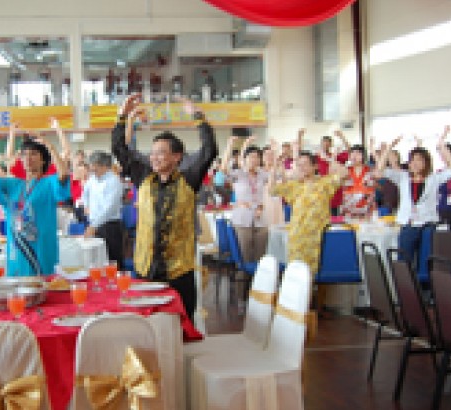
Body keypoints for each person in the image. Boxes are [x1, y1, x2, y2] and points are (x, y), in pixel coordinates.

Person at [113, 94, 217, 320]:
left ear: (177, 156)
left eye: (160, 152)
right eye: (153, 153)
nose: (154, 157)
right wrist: (122, 117)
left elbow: (209, 151)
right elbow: (119, 150)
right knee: (146, 323)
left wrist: (199, 117)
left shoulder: (189, 179)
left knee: (180, 324)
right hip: (146, 267)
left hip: (179, 270)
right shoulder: (144, 177)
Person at [0, 130, 71, 276]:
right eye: (24, 154)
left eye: (33, 154)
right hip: (17, 252)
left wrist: (50, 146)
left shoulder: (49, 183)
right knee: (18, 294)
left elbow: (64, 175)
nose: (28, 158)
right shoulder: (13, 185)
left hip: (42, 251)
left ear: (43, 160)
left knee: (46, 291)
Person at [375, 128, 451, 270]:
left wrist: (442, 145)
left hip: (427, 224)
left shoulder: (434, 178)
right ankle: (405, 287)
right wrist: (389, 148)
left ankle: (425, 287)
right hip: (408, 224)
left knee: (426, 261)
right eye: (412, 160)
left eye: (419, 160)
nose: (415, 163)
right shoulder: (403, 177)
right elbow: (379, 171)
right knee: (404, 261)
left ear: (426, 163)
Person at [269, 151, 347, 275]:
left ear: (315, 166)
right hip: (297, 236)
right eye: (299, 165)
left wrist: (328, 159)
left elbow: (344, 173)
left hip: (317, 237)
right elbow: (272, 190)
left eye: (305, 164)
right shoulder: (294, 186)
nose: (302, 168)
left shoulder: (324, 183)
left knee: (315, 274)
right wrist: (274, 168)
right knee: (297, 275)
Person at [221, 135, 269, 263]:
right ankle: (244, 280)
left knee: (261, 255)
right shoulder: (239, 174)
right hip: (242, 218)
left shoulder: (262, 175)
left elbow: (276, 175)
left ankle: (260, 280)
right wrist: (229, 146)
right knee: (245, 255)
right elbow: (224, 169)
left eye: (257, 157)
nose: (255, 159)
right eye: (251, 156)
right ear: (245, 159)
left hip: (260, 218)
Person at [82, 151, 125, 265]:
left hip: (110, 226)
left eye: (95, 169)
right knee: (97, 262)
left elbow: (109, 208)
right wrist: (86, 205)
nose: (93, 172)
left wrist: (94, 225)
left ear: (105, 166)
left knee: (112, 261)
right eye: (91, 169)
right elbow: (85, 194)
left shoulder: (114, 181)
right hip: (95, 224)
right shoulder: (92, 179)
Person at [339, 144, 377, 220]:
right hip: (349, 212)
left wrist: (374, 152)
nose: (354, 156)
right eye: (352, 153)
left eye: (358, 153)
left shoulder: (370, 170)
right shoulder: (345, 171)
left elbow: (380, 169)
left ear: (363, 156)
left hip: (367, 212)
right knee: (350, 230)